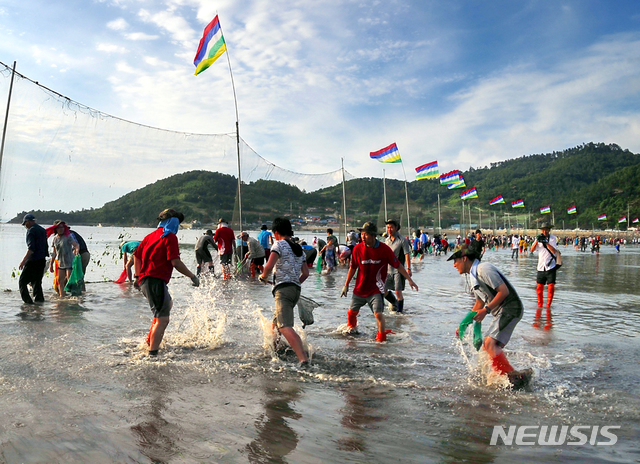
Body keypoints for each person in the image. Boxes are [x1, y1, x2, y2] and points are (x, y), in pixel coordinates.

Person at [448, 243, 532, 388]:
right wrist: (463, 324)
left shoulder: (483, 269)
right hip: (501, 311)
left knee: (489, 343)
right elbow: (479, 302)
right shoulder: (474, 276)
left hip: (511, 308)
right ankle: (511, 376)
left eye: (455, 260)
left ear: (465, 258)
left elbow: (503, 292)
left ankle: (513, 379)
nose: (454, 265)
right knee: (488, 347)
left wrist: (486, 310)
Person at [134, 209, 199, 356]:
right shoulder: (169, 237)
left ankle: (150, 340)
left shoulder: (150, 236)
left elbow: (137, 256)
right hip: (154, 280)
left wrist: (137, 277)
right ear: (174, 223)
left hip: (147, 280)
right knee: (163, 319)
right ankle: (152, 354)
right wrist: (192, 276)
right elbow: (175, 262)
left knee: (167, 304)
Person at [340, 222, 418, 342]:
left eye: (365, 234)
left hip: (376, 290)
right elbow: (353, 268)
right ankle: (351, 333)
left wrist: (410, 280)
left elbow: (398, 265)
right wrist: (346, 285)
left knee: (378, 314)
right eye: (361, 234)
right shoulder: (357, 248)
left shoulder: (384, 249)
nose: (363, 237)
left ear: (373, 235)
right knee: (351, 313)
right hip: (360, 288)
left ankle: (381, 340)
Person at [259, 217, 310, 365]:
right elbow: (306, 273)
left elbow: (268, 266)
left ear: (276, 233)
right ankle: (274, 350)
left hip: (283, 291)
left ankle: (303, 359)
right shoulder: (299, 248)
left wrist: (263, 277)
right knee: (276, 323)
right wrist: (294, 283)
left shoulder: (279, 245)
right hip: (295, 290)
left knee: (285, 326)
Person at [18, 214, 49, 304]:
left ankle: (28, 302)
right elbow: (45, 246)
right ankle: (39, 302)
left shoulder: (31, 231)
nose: (25, 226)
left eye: (25, 223)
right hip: (41, 260)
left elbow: (31, 248)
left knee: (22, 282)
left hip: (33, 260)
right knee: (36, 282)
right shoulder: (42, 230)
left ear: (29, 221)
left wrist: (23, 261)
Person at [383, 219, 412, 313]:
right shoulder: (387, 240)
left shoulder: (402, 240)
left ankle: (399, 313)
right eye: (387, 227)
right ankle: (395, 303)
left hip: (398, 271)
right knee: (383, 290)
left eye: (391, 227)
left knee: (397, 291)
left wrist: (408, 268)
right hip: (387, 270)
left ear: (396, 228)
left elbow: (407, 254)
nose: (389, 229)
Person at [531, 222, 559, 317]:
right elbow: (531, 250)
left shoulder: (553, 238)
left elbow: (553, 251)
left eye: (546, 229)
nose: (544, 231)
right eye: (543, 229)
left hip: (550, 266)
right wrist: (537, 241)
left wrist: (545, 243)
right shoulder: (538, 238)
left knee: (551, 287)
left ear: (549, 230)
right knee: (539, 288)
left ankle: (548, 307)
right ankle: (540, 306)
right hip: (540, 267)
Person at [54, 220, 90, 290]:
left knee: (75, 277)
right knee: (79, 277)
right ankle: (81, 294)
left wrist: (73, 257)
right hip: (85, 255)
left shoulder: (69, 234)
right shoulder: (68, 234)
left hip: (80, 256)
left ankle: (75, 294)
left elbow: (75, 246)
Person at [48, 222, 80, 297]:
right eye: (59, 228)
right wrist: (51, 264)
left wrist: (77, 250)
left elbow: (76, 245)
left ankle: (74, 296)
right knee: (60, 281)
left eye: (62, 227)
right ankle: (62, 297)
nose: (61, 229)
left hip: (69, 261)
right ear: (56, 229)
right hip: (61, 262)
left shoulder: (68, 236)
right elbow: (54, 252)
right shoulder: (55, 239)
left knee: (70, 280)